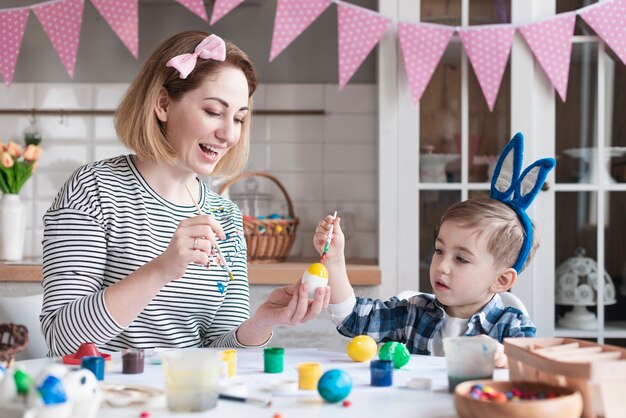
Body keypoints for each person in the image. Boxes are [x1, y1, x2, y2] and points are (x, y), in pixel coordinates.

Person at [41, 31, 330, 356]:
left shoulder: (226, 217)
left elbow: (220, 349)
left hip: (190, 398)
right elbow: (61, 339)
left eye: (238, 118)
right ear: (163, 104)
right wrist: (161, 269)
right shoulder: (94, 189)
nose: (229, 134)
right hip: (109, 398)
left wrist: (261, 323)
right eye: (213, 112)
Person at [314, 133, 555, 367]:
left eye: (461, 258)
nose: (442, 265)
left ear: (501, 280)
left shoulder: (512, 326)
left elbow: (536, 367)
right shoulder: (413, 313)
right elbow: (352, 318)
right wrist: (334, 261)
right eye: (439, 251)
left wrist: (505, 357)